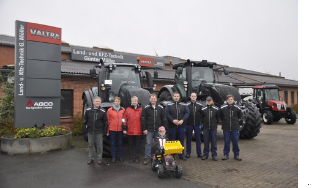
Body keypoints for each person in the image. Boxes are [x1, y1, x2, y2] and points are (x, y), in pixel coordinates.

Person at [141, 93, 167, 165]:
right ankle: (147, 157)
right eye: (151, 99)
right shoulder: (146, 108)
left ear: (156, 99)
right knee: (148, 143)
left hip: (158, 130)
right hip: (149, 129)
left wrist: (164, 129)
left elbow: (164, 118)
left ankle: (158, 156)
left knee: (158, 144)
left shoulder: (161, 108)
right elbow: (143, 118)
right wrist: (144, 129)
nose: (153, 100)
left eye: (154, 99)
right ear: (149, 99)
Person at [165, 92, 190, 161]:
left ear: (179, 97)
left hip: (181, 126)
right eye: (175, 96)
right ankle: (172, 155)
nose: (176, 97)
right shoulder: (169, 105)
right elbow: (167, 114)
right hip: (172, 126)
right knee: (172, 141)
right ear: (173, 97)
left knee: (181, 140)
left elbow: (187, 113)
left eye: (177, 96)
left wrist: (182, 120)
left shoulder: (184, 105)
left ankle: (181, 155)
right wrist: (172, 120)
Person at [83, 96, 107, 165]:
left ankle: (99, 158)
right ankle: (91, 158)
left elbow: (105, 122)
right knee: (90, 145)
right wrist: (85, 131)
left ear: (100, 102)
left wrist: (104, 132)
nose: (97, 103)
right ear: (93, 102)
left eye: (99, 101)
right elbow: (85, 121)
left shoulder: (103, 111)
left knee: (99, 146)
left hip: (99, 132)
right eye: (96, 101)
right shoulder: (88, 110)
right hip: (90, 131)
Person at [220, 94, 243, 161]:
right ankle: (226, 154)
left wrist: (235, 123)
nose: (230, 101)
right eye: (229, 99)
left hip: (235, 128)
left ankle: (236, 155)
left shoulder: (237, 108)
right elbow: (221, 116)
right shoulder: (223, 108)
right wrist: (225, 121)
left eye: (231, 99)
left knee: (235, 141)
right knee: (226, 141)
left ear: (233, 100)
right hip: (226, 128)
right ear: (227, 100)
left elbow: (240, 116)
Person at [123, 96, 142, 164]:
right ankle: (131, 158)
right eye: (133, 101)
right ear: (131, 102)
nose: (134, 102)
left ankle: (137, 158)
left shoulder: (141, 110)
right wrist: (124, 128)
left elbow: (143, 120)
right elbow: (124, 119)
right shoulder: (127, 110)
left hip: (138, 131)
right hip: (130, 131)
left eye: (135, 101)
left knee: (137, 146)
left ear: (137, 101)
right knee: (130, 146)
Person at [107, 96, 126, 163]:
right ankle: (113, 157)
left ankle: (120, 157)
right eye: (116, 101)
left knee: (120, 143)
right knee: (112, 144)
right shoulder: (109, 110)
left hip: (120, 130)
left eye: (118, 101)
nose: (117, 102)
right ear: (113, 102)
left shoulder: (123, 110)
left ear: (120, 102)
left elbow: (124, 120)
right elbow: (108, 120)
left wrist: (124, 128)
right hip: (112, 129)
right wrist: (108, 130)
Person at [201, 96, 219, 161]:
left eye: (210, 100)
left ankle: (214, 155)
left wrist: (214, 124)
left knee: (214, 142)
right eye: (208, 101)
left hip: (213, 128)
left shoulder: (216, 109)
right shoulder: (203, 109)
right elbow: (202, 118)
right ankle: (205, 154)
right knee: (206, 141)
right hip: (206, 128)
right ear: (206, 101)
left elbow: (217, 118)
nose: (209, 102)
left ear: (212, 101)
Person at [185, 92, 203, 158]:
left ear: (196, 97)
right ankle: (188, 153)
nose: (193, 97)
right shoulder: (186, 105)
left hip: (197, 125)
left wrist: (200, 121)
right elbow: (185, 114)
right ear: (190, 97)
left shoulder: (200, 105)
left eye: (194, 96)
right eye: (192, 96)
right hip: (189, 124)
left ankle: (199, 153)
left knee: (198, 139)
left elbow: (202, 114)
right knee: (188, 139)